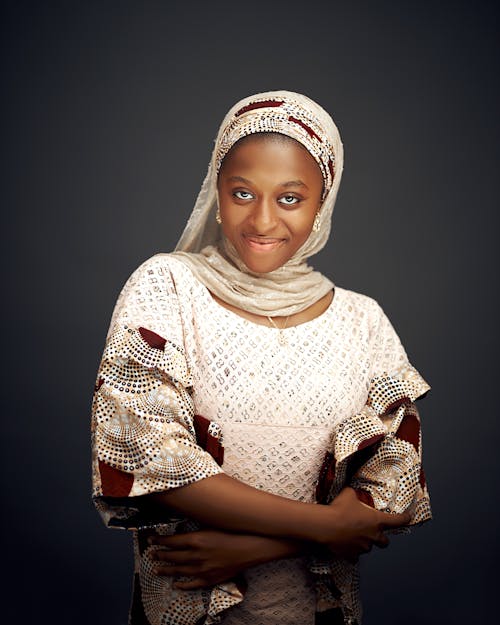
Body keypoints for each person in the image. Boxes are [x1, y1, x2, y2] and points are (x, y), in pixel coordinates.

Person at [91, 91, 431, 625]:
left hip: (320, 609)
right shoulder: (166, 288)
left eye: (291, 197)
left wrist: (260, 547)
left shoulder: (364, 321)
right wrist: (323, 526)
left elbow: (396, 480)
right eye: (243, 192)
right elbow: (147, 457)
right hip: (193, 606)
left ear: (323, 201)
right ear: (216, 192)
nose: (263, 220)